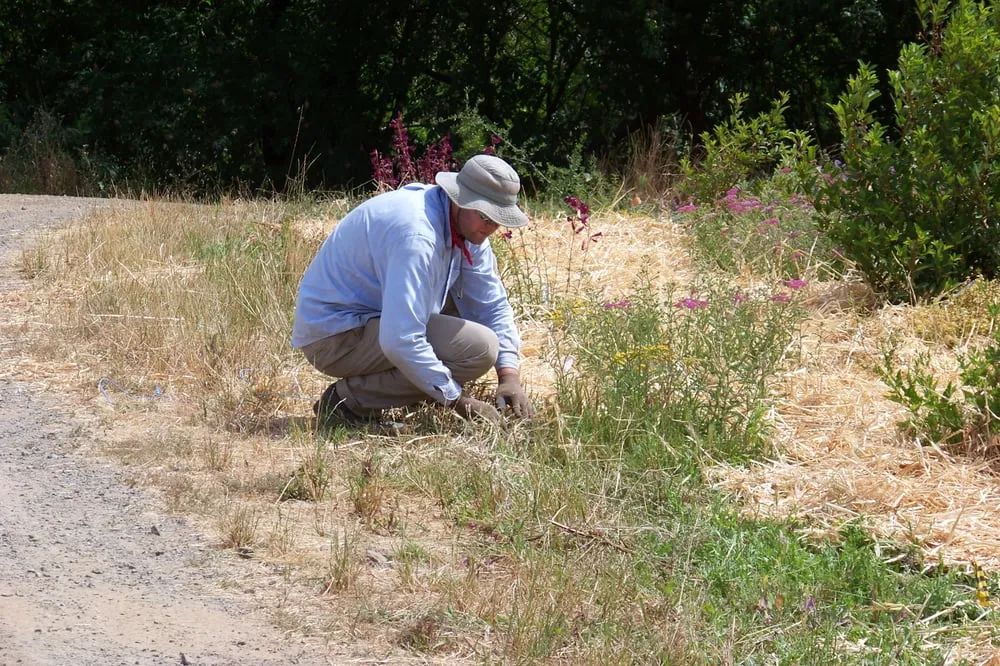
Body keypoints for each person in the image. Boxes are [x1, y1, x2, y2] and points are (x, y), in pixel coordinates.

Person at [291, 154, 534, 426]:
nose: (492, 227)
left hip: (371, 321)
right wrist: (456, 400)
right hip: (334, 337)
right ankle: (347, 402)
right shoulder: (418, 235)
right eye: (486, 216)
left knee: (469, 319)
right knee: (478, 348)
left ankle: (412, 388)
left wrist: (509, 376)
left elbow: (491, 305)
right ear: (460, 198)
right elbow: (401, 338)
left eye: (498, 219)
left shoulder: (465, 227)